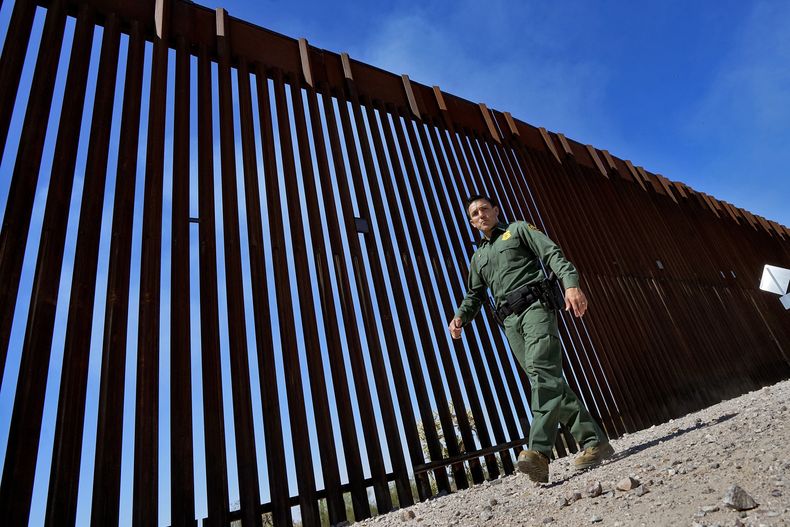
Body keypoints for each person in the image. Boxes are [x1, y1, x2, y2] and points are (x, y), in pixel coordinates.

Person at [448, 194, 614, 483]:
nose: (480, 215)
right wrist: (461, 316)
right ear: (472, 222)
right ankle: (595, 442)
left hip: (535, 307)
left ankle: (538, 452)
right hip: (509, 322)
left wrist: (571, 285)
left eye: (484, 209)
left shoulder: (519, 229)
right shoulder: (478, 258)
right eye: (474, 213)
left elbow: (552, 254)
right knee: (547, 381)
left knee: (542, 372)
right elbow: (474, 294)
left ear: (496, 210)